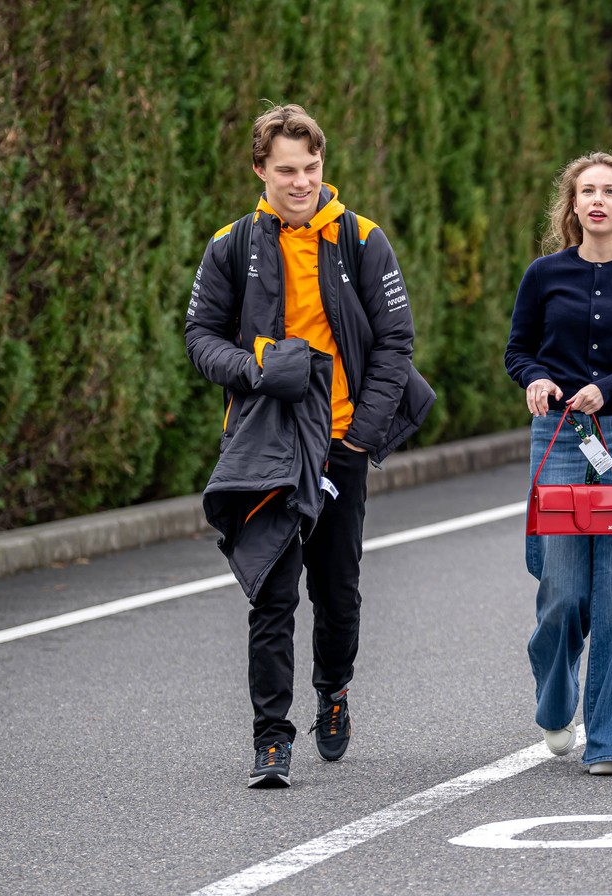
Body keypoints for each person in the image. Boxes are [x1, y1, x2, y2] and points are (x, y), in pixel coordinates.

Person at [186, 104, 434, 788]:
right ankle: (271, 738)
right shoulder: (231, 245)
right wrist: (255, 366)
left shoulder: (362, 239)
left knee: (338, 593)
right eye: (287, 170)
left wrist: (357, 439)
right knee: (270, 593)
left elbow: (394, 345)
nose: (301, 182)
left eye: (312, 168)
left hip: (341, 445)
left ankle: (334, 685)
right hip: (265, 446)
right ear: (260, 170)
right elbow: (202, 338)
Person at [504, 152, 612, 776]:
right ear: (572, 206)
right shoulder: (543, 275)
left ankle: (609, 741)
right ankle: (555, 691)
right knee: (564, 590)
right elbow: (518, 351)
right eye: (586, 191)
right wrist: (537, 378)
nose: (597, 200)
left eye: (610, 191)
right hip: (558, 436)